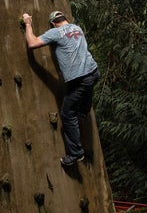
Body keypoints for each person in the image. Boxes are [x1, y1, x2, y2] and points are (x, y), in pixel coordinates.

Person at [22, 10, 100, 166]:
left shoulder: (55, 32)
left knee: (67, 114)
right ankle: (84, 110)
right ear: (65, 19)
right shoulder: (77, 28)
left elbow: (32, 43)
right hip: (93, 72)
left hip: (79, 80)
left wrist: (28, 24)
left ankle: (76, 153)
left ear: (52, 23)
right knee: (86, 91)